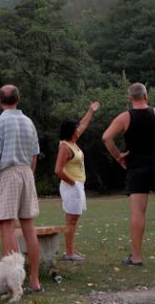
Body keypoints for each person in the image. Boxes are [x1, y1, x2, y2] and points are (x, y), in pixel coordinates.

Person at [102, 82, 155, 266]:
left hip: (137, 167)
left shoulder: (124, 117)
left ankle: (136, 257)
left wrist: (119, 156)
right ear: (146, 96)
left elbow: (106, 138)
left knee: (138, 211)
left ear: (129, 98)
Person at [0, 85, 42, 293]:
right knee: (29, 228)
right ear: (18, 99)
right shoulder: (28, 122)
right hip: (26, 173)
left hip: (8, 173)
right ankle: (34, 280)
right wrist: (29, 175)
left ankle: (12, 283)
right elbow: (34, 155)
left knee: (7, 226)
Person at [54, 101, 100, 262]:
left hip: (77, 185)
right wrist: (72, 183)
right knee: (71, 219)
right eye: (76, 129)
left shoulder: (73, 141)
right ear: (70, 132)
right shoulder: (65, 147)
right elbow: (58, 170)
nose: (78, 129)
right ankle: (69, 253)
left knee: (74, 219)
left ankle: (71, 250)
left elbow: (84, 125)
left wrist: (91, 111)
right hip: (71, 186)